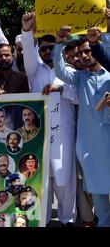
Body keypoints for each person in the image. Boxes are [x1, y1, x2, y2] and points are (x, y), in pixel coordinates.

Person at [22, 13, 79, 226]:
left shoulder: (70, 72)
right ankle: (42, 220)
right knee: (41, 180)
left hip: (63, 132)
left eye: (50, 48)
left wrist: (59, 89)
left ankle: (67, 219)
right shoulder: (34, 72)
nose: (47, 52)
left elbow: (76, 97)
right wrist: (27, 31)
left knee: (64, 180)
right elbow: (27, 52)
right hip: (39, 135)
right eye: (43, 48)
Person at [53, 32, 110, 227]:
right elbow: (60, 71)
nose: (84, 56)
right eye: (81, 53)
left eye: (88, 51)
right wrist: (59, 43)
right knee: (101, 207)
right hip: (91, 151)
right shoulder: (81, 78)